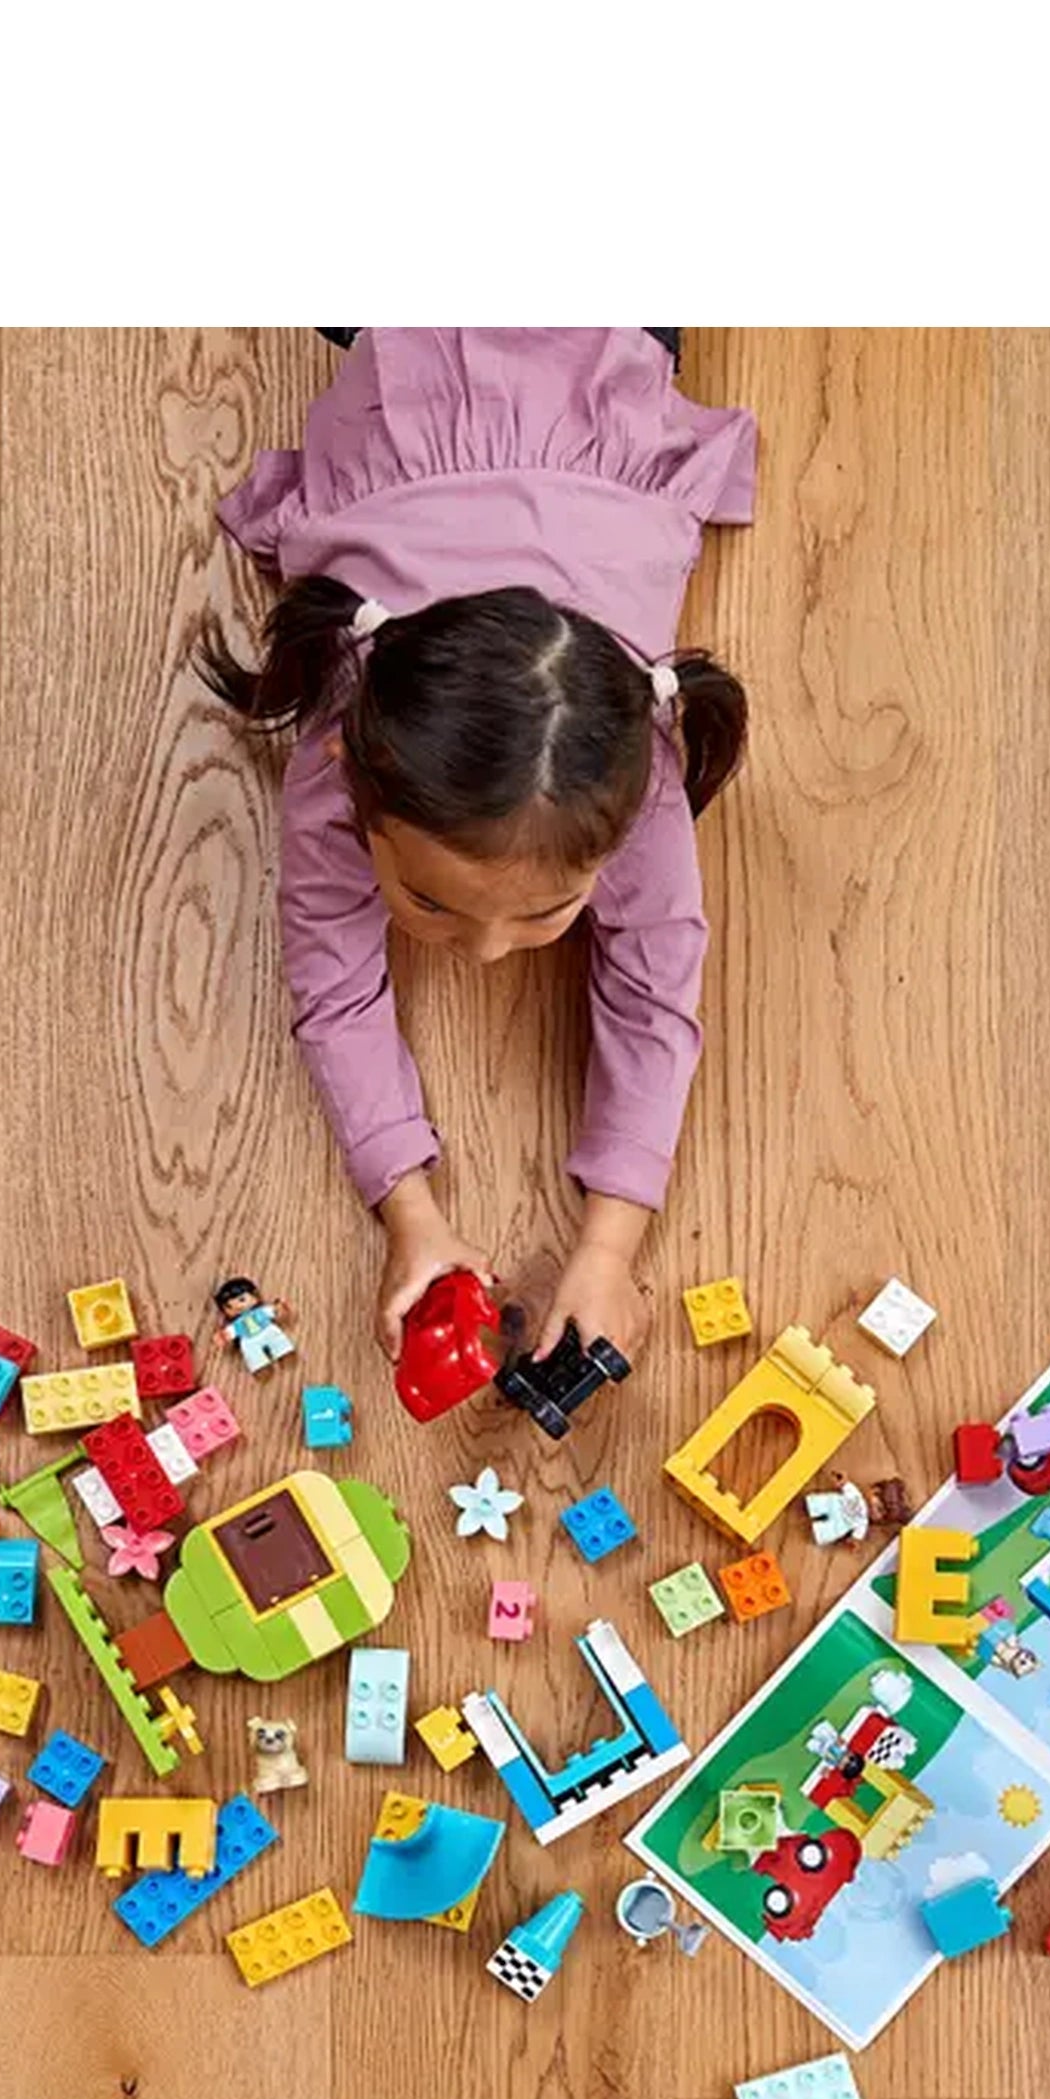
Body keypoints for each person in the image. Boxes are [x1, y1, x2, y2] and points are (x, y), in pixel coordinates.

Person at [197, 328, 756, 1362]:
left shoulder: (639, 768)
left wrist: (610, 1242)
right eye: (437, 904)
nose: (493, 952)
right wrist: (407, 1211)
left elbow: (655, 992)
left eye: (546, 910)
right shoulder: (340, 751)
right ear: (357, 791)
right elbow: (331, 987)